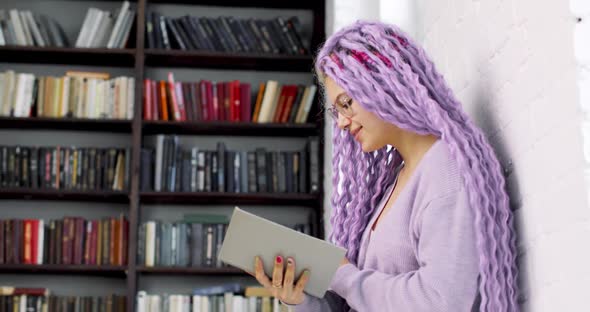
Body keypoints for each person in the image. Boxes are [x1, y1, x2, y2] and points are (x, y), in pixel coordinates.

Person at [250, 20, 519, 312]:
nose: (341, 122)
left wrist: (344, 276)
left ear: (382, 85)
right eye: (335, 111)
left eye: (346, 103)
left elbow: (442, 301)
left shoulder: (445, 171)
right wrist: (300, 299)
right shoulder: (394, 178)